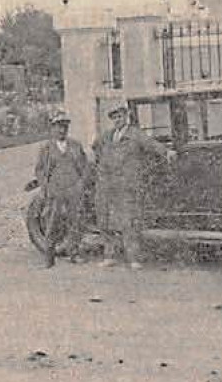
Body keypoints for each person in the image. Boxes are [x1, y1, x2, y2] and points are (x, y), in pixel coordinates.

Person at [91, 102, 174, 269]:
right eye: (114, 117)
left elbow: (152, 145)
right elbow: (95, 147)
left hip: (128, 185)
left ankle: (133, 258)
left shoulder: (136, 135)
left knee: (129, 222)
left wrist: (166, 152)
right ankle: (110, 256)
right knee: (107, 221)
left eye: (120, 116)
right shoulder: (108, 136)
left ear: (126, 116)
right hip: (110, 185)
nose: (117, 119)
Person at [24, 110, 92, 267]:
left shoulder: (75, 145)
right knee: (53, 221)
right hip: (56, 190)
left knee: (76, 221)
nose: (62, 130)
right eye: (58, 126)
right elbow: (40, 170)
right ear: (52, 128)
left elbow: (85, 166)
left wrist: (81, 183)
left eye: (64, 126)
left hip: (74, 189)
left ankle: (74, 253)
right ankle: (49, 255)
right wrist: (46, 187)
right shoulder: (46, 149)